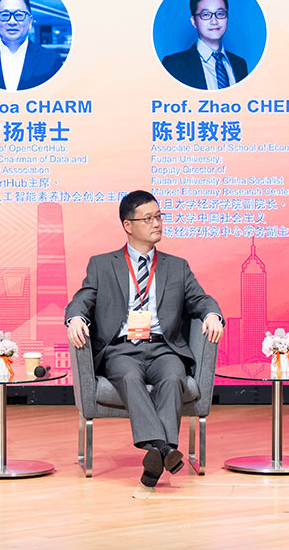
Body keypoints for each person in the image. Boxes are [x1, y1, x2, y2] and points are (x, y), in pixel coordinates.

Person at [65, 190, 224, 487]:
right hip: (121, 350)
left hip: (164, 348)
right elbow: (82, 300)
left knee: (174, 376)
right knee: (129, 377)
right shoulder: (102, 264)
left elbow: (200, 299)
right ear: (128, 225)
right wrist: (75, 318)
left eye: (159, 216)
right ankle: (165, 449)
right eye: (148, 218)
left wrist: (212, 315)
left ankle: (156, 453)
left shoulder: (177, 266)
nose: (157, 224)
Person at [161, 0, 250, 89]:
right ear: (194, 21)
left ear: (227, 17)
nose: (214, 21)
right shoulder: (174, 65)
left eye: (220, 13)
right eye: (206, 15)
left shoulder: (240, 64)